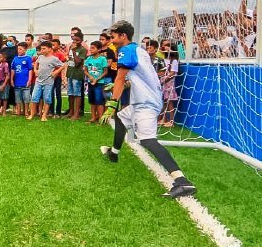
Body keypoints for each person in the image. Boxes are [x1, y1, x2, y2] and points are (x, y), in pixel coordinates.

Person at [99, 20, 196, 199]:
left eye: (112, 37)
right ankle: (114, 153)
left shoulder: (126, 51)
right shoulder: (138, 50)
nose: (110, 40)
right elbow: (139, 77)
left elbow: (121, 78)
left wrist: (112, 103)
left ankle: (183, 182)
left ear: (123, 36)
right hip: (145, 100)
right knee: (121, 119)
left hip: (146, 103)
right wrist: (120, 84)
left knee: (148, 141)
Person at [28, 41, 65, 122]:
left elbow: (63, 65)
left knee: (47, 99)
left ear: (50, 49)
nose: (42, 50)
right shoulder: (40, 57)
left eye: (44, 49)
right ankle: (32, 114)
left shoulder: (54, 59)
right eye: (41, 49)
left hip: (48, 82)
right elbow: (36, 63)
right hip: (38, 81)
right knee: (34, 97)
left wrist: (55, 72)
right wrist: (35, 70)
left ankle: (44, 115)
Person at [84, 40, 109, 124]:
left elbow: (105, 71)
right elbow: (85, 70)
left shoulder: (102, 59)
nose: (91, 49)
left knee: (99, 100)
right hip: (90, 82)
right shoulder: (89, 59)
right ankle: (93, 117)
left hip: (99, 83)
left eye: (93, 48)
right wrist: (90, 77)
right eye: (90, 48)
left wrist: (97, 79)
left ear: (99, 49)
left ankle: (100, 118)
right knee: (92, 100)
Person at [65, 31, 87, 120]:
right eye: (74, 40)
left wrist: (74, 51)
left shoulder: (82, 50)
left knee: (77, 94)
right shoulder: (70, 48)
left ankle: (77, 113)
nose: (75, 42)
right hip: (70, 73)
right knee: (70, 93)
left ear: (81, 40)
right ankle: (71, 111)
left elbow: (78, 62)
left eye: (77, 41)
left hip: (77, 74)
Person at [10, 42, 33, 117]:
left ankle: (26, 111)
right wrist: (12, 79)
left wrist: (29, 80)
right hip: (17, 82)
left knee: (26, 98)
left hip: (25, 81)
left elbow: (30, 70)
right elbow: (13, 69)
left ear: (25, 50)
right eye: (18, 49)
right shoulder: (15, 58)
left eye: (20, 49)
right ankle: (18, 111)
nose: (19, 51)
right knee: (18, 98)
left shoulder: (28, 58)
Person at [159, 49, 180, 127]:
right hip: (164, 83)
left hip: (169, 84)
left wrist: (165, 79)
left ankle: (171, 121)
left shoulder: (174, 61)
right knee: (165, 102)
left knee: (169, 102)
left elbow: (173, 72)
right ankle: (163, 119)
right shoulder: (164, 60)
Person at [50, 38, 67, 118]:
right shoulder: (49, 54)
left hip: (58, 77)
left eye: (54, 45)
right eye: (51, 44)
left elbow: (62, 66)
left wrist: (61, 76)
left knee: (58, 93)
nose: (52, 46)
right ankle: (51, 111)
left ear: (58, 46)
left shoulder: (60, 54)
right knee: (50, 93)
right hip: (50, 77)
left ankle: (58, 112)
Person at [0, 52, 10, 116]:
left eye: (1, 57)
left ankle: (4, 111)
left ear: (4, 58)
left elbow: (7, 76)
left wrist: (4, 84)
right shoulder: (0, 64)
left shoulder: (5, 65)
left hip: (4, 82)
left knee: (4, 98)